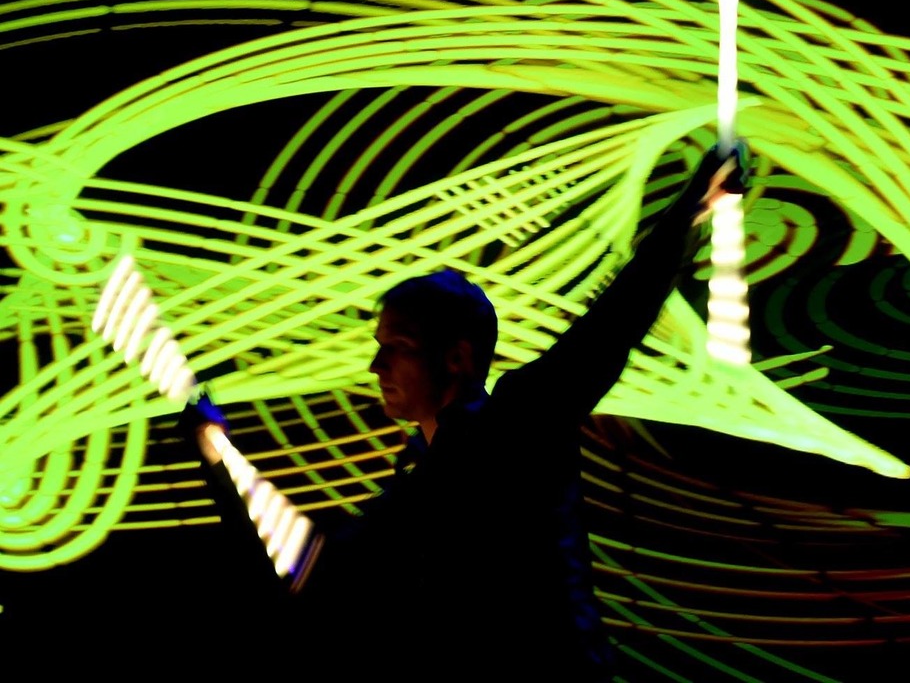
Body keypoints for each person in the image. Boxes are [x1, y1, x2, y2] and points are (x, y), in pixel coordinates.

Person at [179, 144, 749, 675]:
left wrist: (692, 209)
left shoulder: (518, 424)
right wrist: (217, 451)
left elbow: (612, 324)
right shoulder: (418, 482)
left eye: (397, 347)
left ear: (456, 358)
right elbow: (320, 570)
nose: (376, 367)